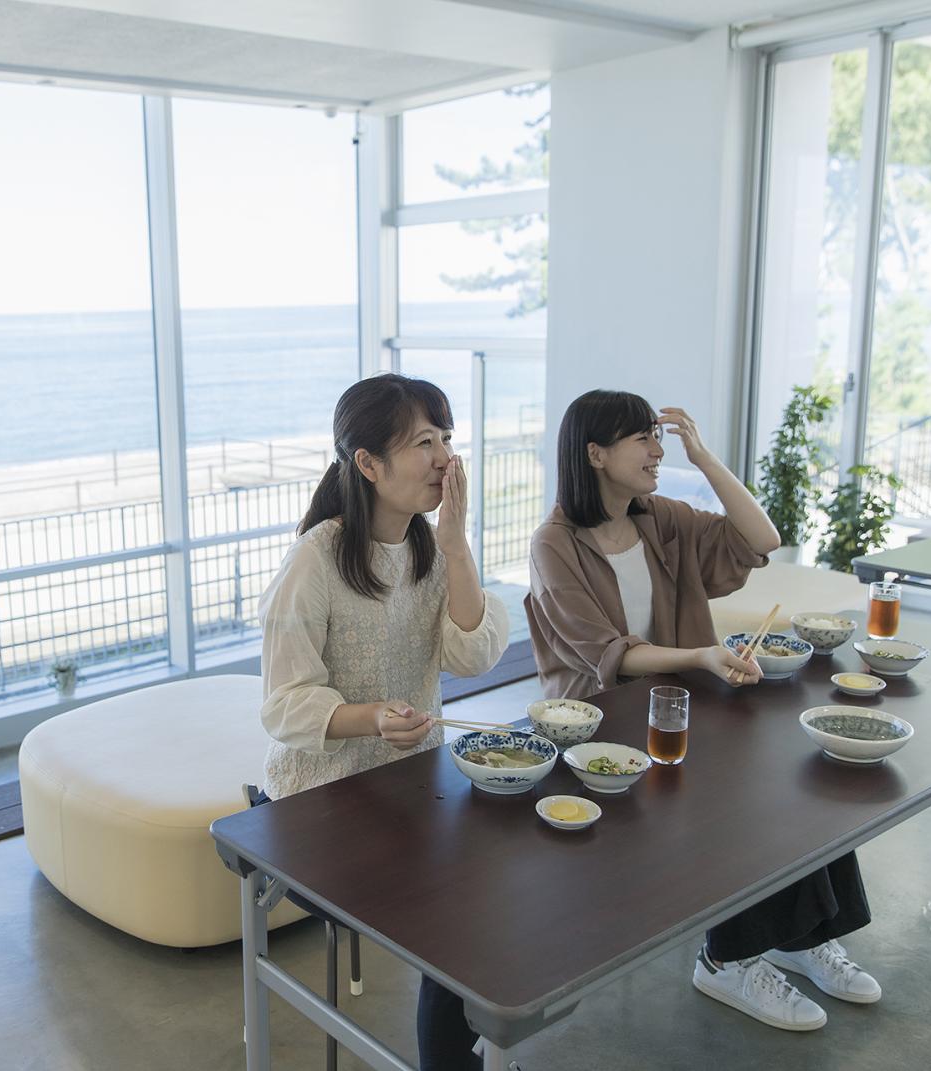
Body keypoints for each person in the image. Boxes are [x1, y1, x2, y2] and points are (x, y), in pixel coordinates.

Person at [527, 388, 880, 1032]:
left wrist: (705, 457)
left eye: (658, 436)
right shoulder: (554, 543)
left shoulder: (660, 518)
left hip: (684, 705)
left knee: (793, 777)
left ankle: (800, 937)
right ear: (596, 454)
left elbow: (761, 537)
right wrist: (704, 654)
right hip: (601, 728)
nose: (657, 450)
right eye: (643, 437)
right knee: (735, 798)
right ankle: (726, 960)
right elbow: (609, 654)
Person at [258, 373, 509, 1071]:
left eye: (447, 439)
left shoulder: (431, 548)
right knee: (456, 904)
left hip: (408, 790)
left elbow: (473, 653)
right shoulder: (315, 559)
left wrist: (457, 545)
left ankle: (477, 1049)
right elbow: (283, 703)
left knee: (507, 870)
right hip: (317, 802)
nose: (444, 459)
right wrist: (370, 717)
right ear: (367, 463)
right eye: (424, 442)